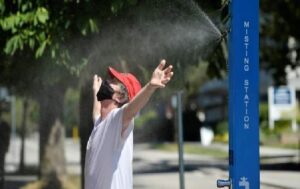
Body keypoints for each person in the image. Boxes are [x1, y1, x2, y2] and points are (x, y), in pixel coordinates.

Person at [84, 59, 173, 189]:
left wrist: (150, 87)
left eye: (113, 82)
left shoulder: (117, 120)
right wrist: (95, 90)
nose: (106, 82)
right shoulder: (100, 123)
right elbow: (96, 112)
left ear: (119, 97)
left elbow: (131, 109)